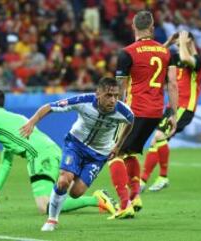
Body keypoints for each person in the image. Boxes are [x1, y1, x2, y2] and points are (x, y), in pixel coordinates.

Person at [0, 88, 117, 217]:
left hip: (39, 156)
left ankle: (97, 199)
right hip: (54, 150)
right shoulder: (15, 118)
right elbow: (6, 162)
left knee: (45, 206)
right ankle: (95, 199)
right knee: (60, 193)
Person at [20, 77, 134, 231]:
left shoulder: (124, 112)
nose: (113, 100)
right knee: (63, 180)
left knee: (76, 193)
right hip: (75, 145)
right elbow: (50, 106)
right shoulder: (83, 101)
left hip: (99, 155)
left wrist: (117, 146)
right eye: (108, 95)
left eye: (116, 96)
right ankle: (52, 220)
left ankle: (99, 195)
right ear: (98, 94)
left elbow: (130, 123)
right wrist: (32, 121)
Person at [108, 10, 178, 219]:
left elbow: (120, 88)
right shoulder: (167, 53)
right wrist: (172, 114)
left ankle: (124, 204)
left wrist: (115, 113)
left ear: (133, 27)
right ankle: (135, 196)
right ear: (152, 28)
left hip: (134, 112)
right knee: (129, 152)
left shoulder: (127, 53)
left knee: (113, 154)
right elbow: (172, 84)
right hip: (156, 112)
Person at [140, 31, 201, 192]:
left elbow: (185, 58)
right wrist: (169, 42)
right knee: (156, 142)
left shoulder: (198, 60)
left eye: (181, 41)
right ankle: (144, 181)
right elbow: (155, 58)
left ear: (190, 41)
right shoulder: (175, 57)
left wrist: (183, 41)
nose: (178, 44)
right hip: (173, 106)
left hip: (185, 107)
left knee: (158, 136)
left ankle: (160, 177)